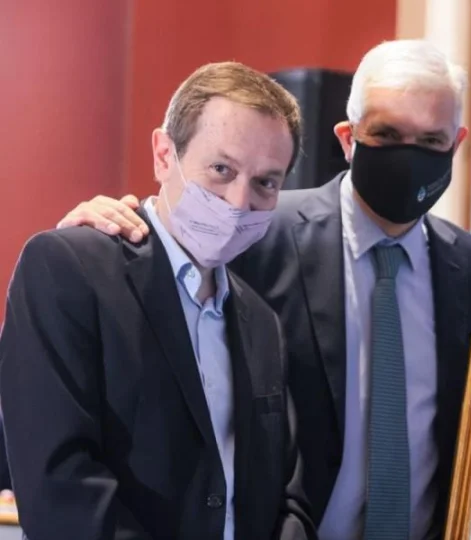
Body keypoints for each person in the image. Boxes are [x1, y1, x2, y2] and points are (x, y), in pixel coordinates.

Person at [55, 40, 471, 540]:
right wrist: (110, 227)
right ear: (348, 137)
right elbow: (170, 254)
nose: (409, 155)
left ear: (456, 143)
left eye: (430, 140)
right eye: (387, 134)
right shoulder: (256, 228)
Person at [0, 62, 315, 540]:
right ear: (165, 155)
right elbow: (59, 486)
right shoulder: (69, 269)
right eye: (221, 169)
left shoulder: (260, 320)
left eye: (265, 183)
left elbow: (285, 489)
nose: (238, 202)